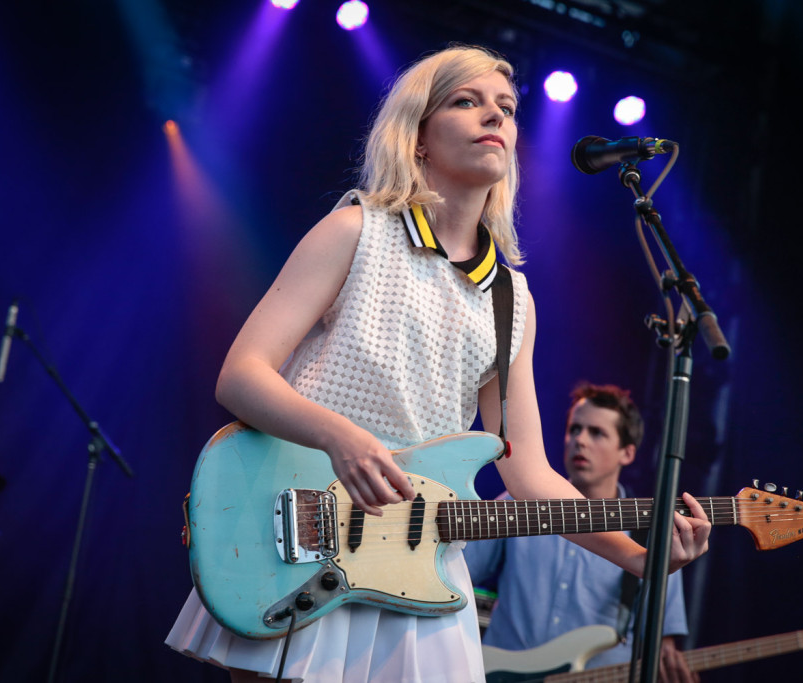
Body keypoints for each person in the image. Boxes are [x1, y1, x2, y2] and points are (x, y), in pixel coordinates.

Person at [165, 44, 710, 683]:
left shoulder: (514, 299)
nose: (495, 118)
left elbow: (528, 472)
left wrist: (641, 557)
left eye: (506, 109)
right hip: (305, 535)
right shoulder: (356, 231)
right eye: (466, 101)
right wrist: (341, 437)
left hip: (421, 563)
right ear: (417, 138)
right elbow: (241, 374)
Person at [465, 382, 699, 682]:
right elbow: (456, 573)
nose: (580, 441)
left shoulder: (649, 532)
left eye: (597, 433)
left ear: (627, 453)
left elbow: (662, 646)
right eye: (575, 429)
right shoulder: (519, 503)